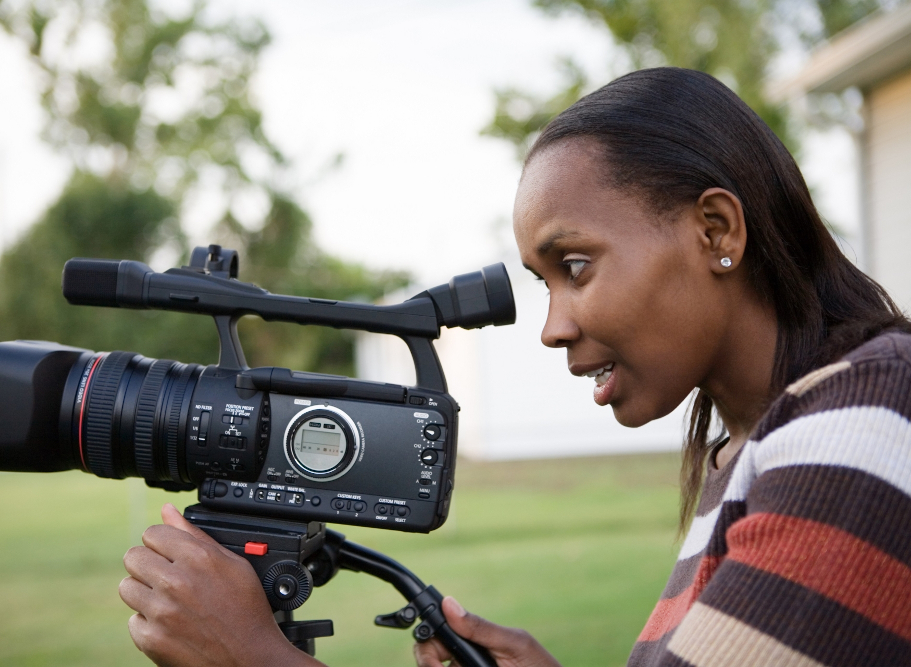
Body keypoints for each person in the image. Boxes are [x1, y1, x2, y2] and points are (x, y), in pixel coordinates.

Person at [118, 67, 911, 666]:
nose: (554, 327)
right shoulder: (761, 446)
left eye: (577, 265)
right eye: (542, 281)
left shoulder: (860, 425)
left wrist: (258, 657)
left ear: (715, 230)